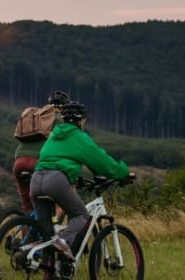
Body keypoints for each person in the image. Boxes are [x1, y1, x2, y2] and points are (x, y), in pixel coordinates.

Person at [30, 101, 132, 261]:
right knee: (80, 215)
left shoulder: (54, 134)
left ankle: (36, 261)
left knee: (47, 236)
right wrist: (123, 173)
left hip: (36, 180)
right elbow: (102, 162)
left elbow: (51, 157)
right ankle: (65, 243)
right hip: (56, 180)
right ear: (81, 120)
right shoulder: (79, 137)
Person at [11, 90, 70, 212]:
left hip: (19, 162)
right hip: (38, 162)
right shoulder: (60, 120)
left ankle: (27, 228)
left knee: (28, 208)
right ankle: (51, 228)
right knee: (57, 198)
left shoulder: (39, 117)